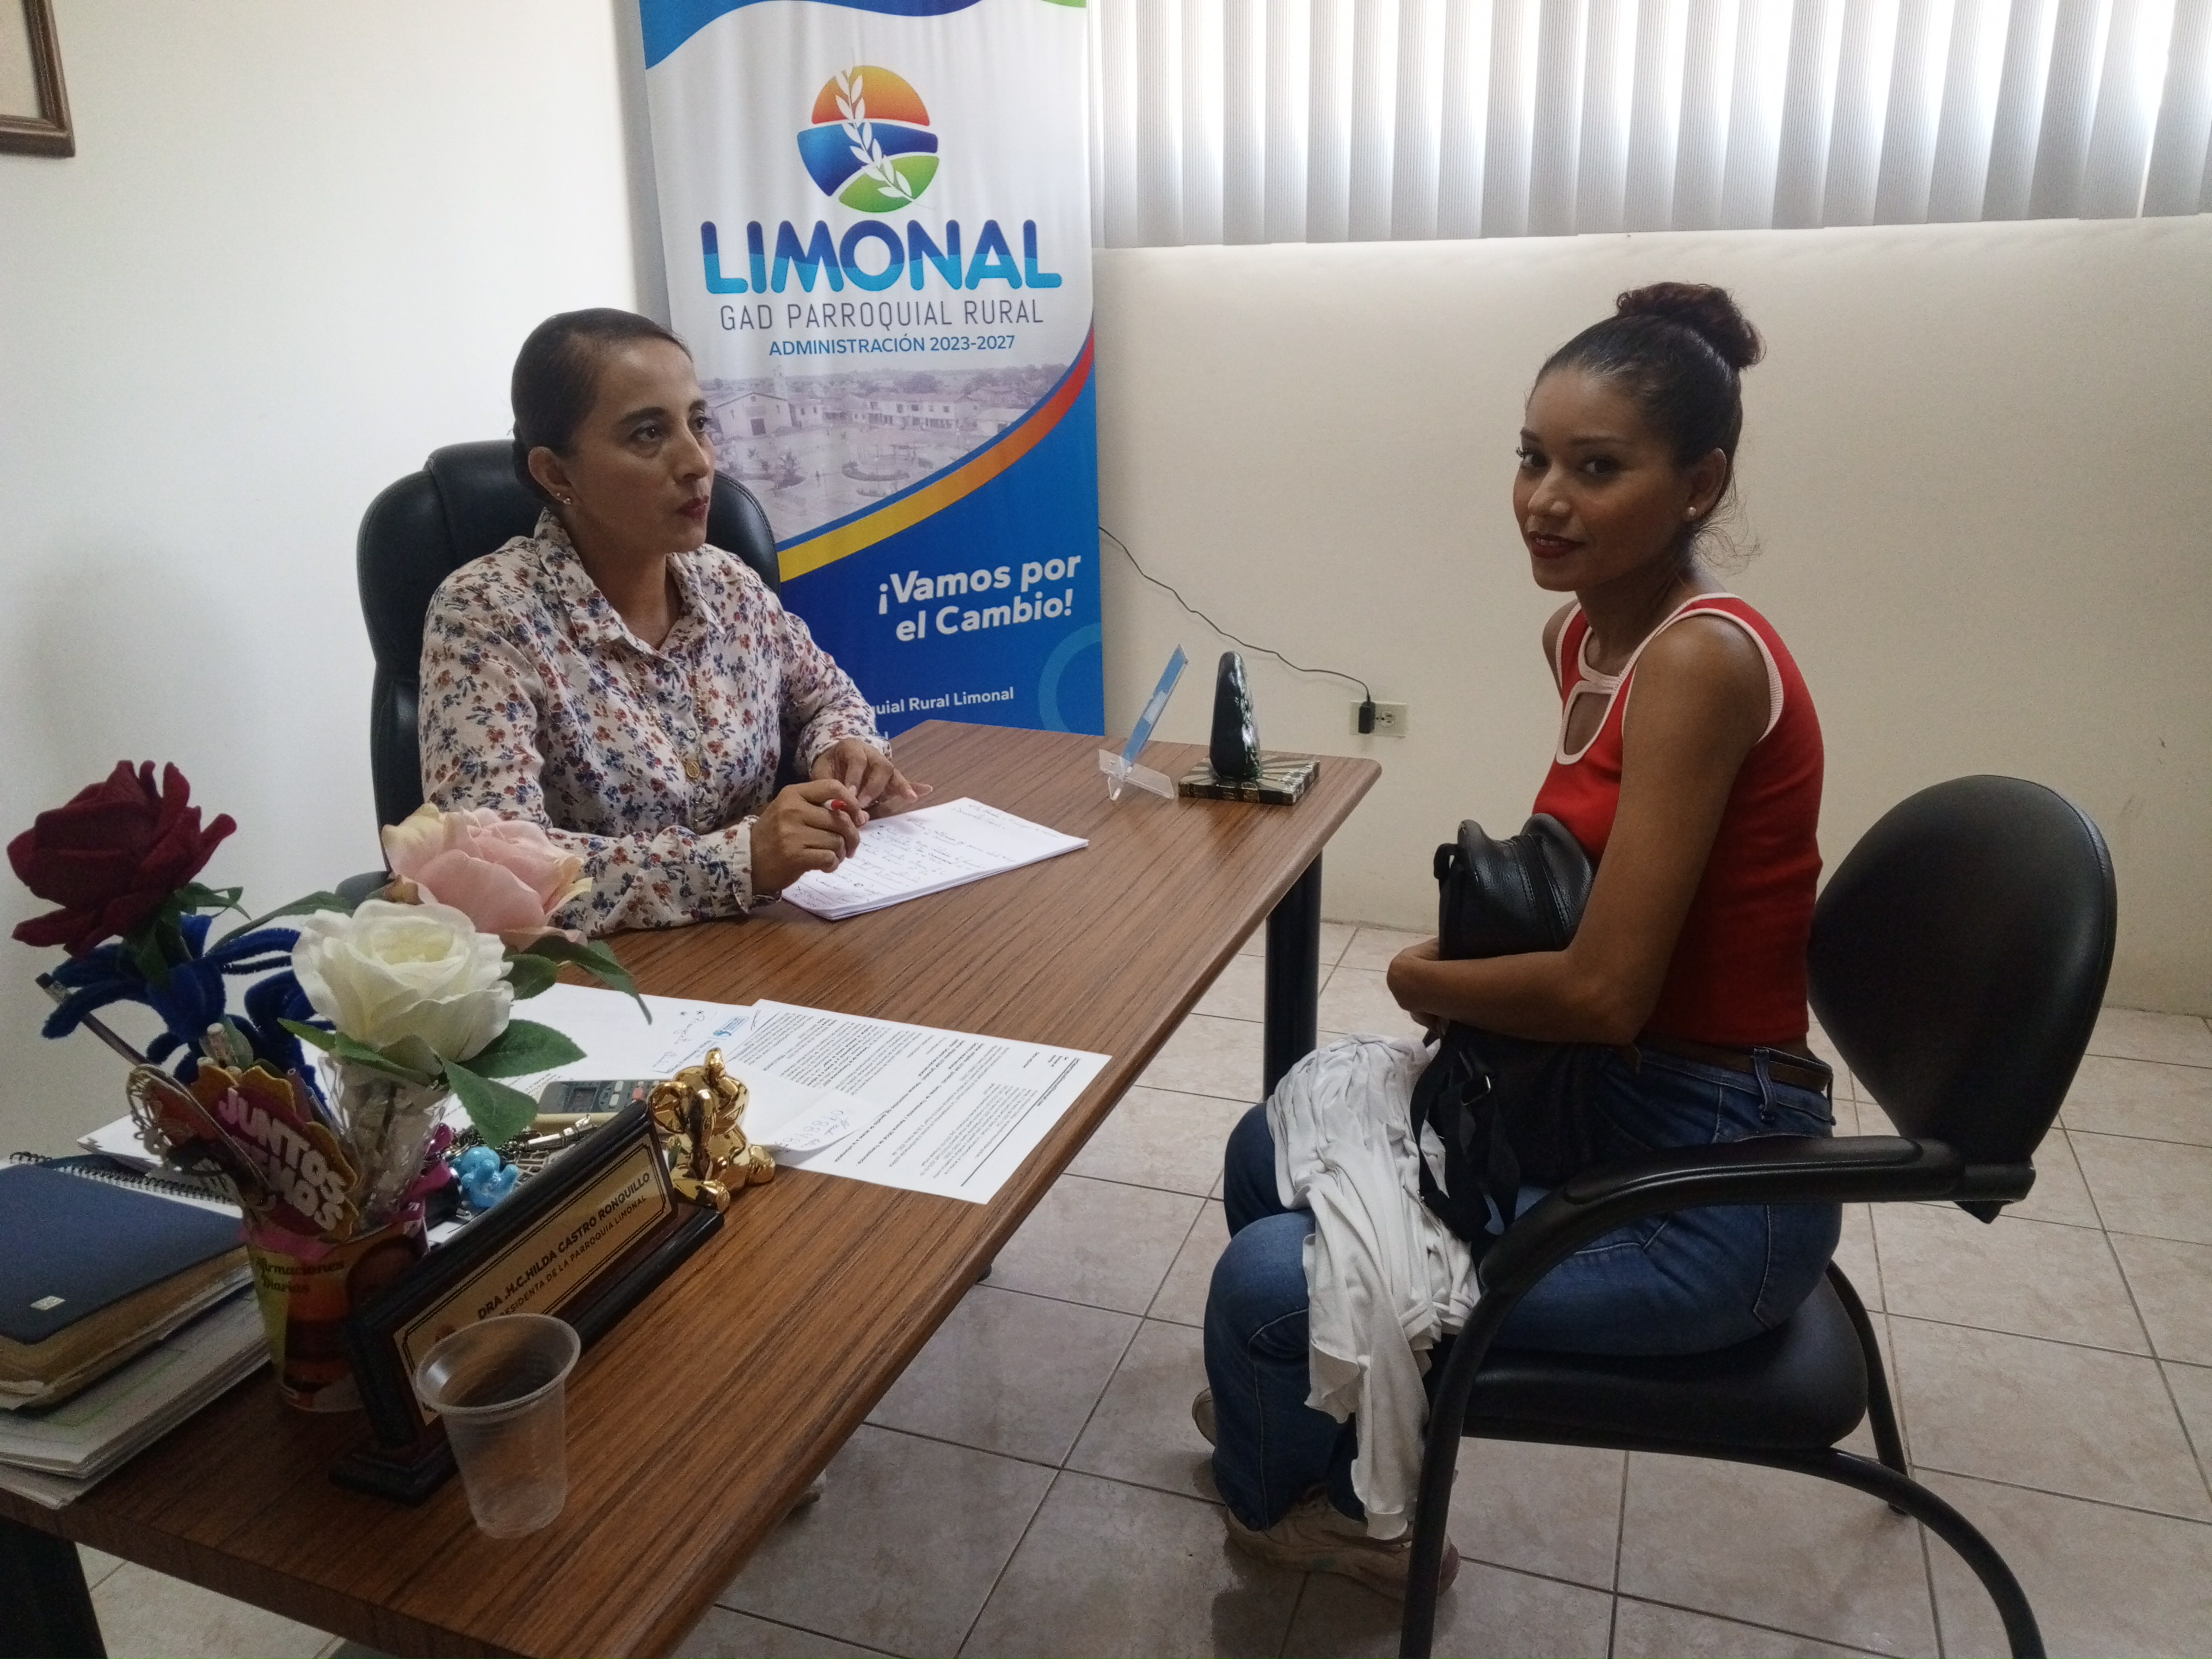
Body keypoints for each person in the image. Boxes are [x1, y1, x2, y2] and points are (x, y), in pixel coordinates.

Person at [1200, 284, 1838, 1595]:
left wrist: (1420, 977)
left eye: (1595, 469)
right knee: (1267, 1146)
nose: (1545, 499)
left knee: (1266, 1291)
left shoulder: (1699, 662)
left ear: (1700, 484)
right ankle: (1317, 1429)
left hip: (1713, 1177)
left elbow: (1603, 992)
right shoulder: (1585, 634)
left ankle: (1335, 1517)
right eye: (1531, 457)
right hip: (1611, 1101)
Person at [419, 309, 924, 935]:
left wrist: (843, 750)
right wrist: (740, 861)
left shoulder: (728, 583)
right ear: (556, 473)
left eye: (698, 423)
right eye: (648, 434)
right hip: (605, 974)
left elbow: (828, 698)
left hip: (764, 947)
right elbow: (490, 867)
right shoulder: (487, 612)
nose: (697, 461)